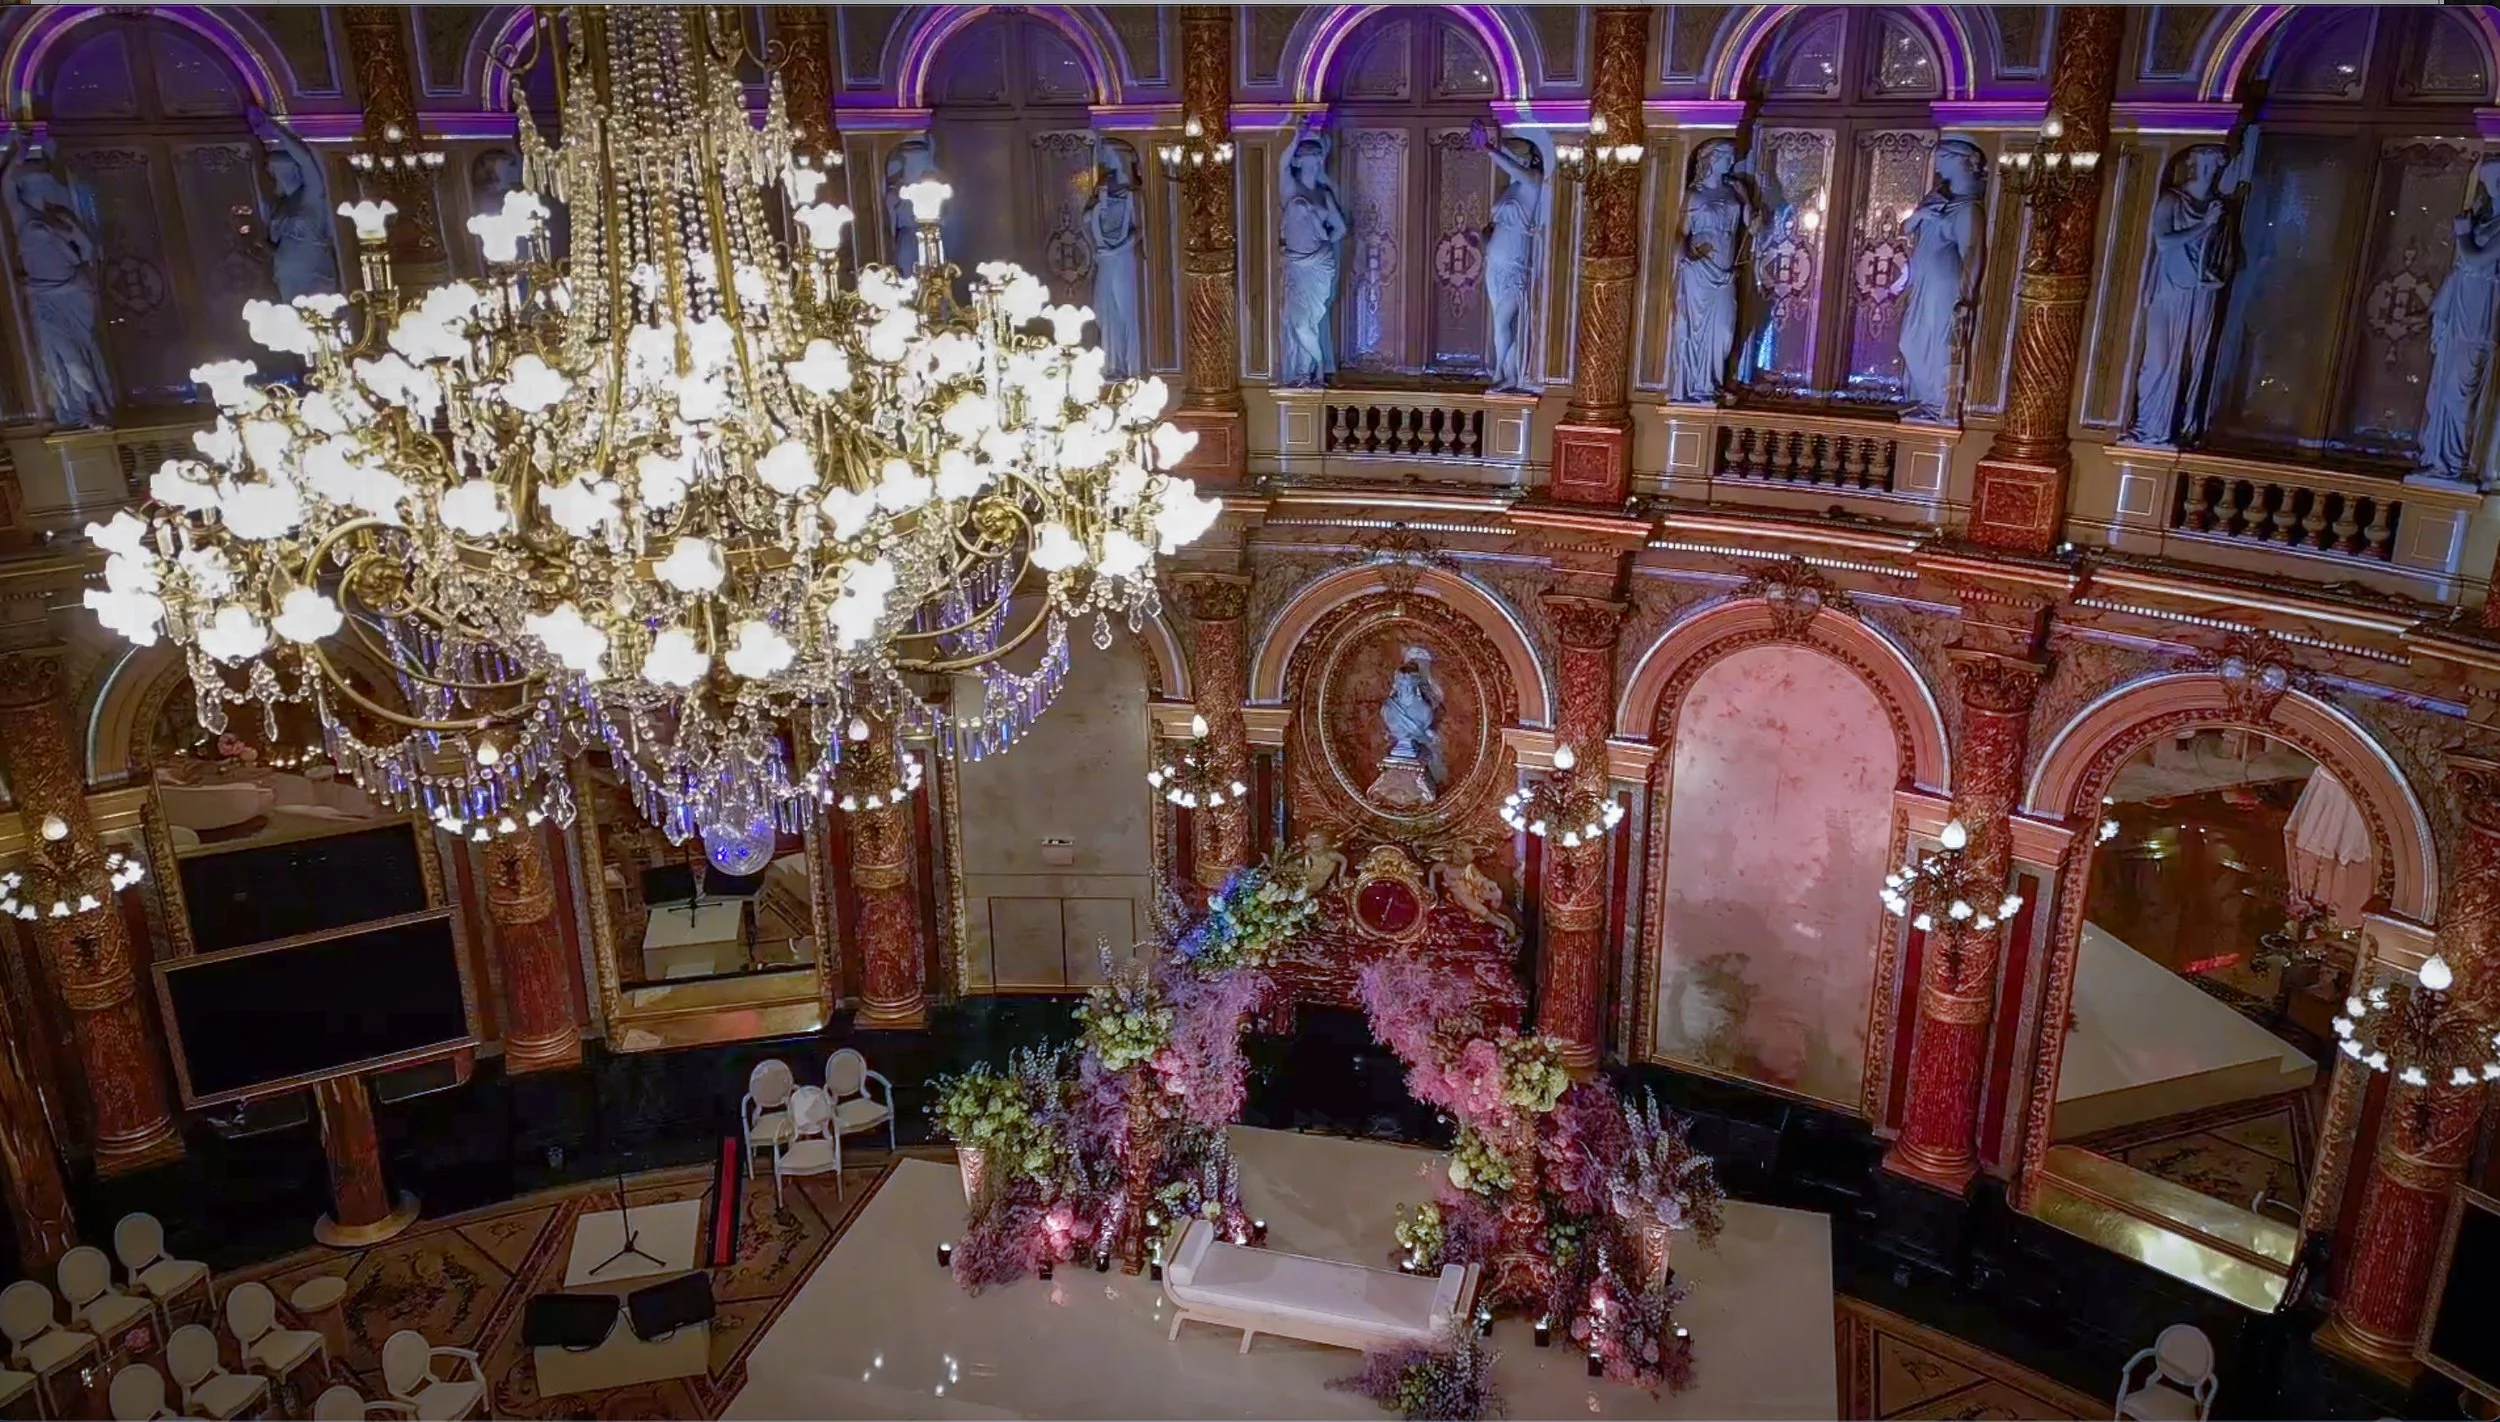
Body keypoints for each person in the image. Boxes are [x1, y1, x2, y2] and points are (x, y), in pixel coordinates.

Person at [2127, 144, 2233, 446]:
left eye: (2214, 166)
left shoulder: (2219, 208)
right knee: (2159, 362)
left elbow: (2226, 254)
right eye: (2204, 164)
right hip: (2168, 291)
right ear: (2193, 164)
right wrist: (2204, 224)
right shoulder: (2172, 200)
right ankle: (2148, 426)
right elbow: (2163, 241)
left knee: (2190, 362)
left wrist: (2219, 275)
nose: (2208, 172)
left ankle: (2179, 427)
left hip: (2201, 293)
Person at [3, 151, 113, 427]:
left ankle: (98, 408)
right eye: (33, 183)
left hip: (74, 292)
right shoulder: (21, 216)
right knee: (70, 359)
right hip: (45, 298)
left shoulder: (62, 216)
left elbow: (88, 250)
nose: (39, 189)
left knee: (84, 351)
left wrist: (70, 232)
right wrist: (15, 150)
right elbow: (3, 184)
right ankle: (88, 410)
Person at [2414, 156, 2500, 489]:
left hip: (2479, 316)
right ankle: (2439, 460)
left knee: (2461, 390)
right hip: (2460, 308)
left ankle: (2455, 464)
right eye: (2491, 182)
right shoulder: (2486, 220)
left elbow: (2476, 259)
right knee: (2441, 390)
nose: (2495, 189)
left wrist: (2463, 233)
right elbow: (2462, 266)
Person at [1894, 137, 1986, 420]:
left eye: (1943, 158)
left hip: (1945, 287)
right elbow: (1905, 228)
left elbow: (1972, 253)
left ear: (1960, 162)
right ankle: (1927, 399)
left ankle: (1938, 404)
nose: (1937, 165)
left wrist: (1965, 296)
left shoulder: (1968, 209)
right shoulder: (1937, 198)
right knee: (1910, 341)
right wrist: (1920, 214)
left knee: (1937, 343)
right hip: (1923, 283)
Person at [1667, 138, 1757, 404]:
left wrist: (1746, 198)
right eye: (1726, 157)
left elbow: (1753, 227)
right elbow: (1680, 233)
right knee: (1696, 330)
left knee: (1725, 331)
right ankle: (1699, 386)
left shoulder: (1734, 192)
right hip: (1700, 271)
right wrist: (1685, 258)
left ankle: (1713, 380)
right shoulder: (1695, 195)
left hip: (1726, 270)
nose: (1731, 161)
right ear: (1712, 159)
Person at [1475, 125, 1544, 393]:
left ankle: (1500, 374)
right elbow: (1496, 227)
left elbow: (1514, 168)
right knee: (1500, 323)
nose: (1512, 159)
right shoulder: (1512, 187)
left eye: (1516, 155)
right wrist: (1482, 240)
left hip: (1516, 266)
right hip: (1495, 264)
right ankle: (1508, 373)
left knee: (1504, 321)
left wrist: (1490, 149)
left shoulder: (1533, 181)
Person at [1277, 127, 1347, 387]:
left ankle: (1310, 373)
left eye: (1318, 157)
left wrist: (1324, 246)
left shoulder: (1324, 195)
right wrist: (1296, 136)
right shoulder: (1290, 188)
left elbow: (1340, 229)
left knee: (1311, 321)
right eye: (1311, 157)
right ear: (1300, 160)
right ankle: (1312, 367)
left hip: (1319, 264)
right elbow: (1282, 165)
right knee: (1299, 323)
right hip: (1296, 264)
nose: (1316, 161)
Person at [251, 107, 338, 301]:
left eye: (278, 171)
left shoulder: (311, 198)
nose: (276, 176)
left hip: (313, 273)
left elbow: (306, 161)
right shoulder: (281, 205)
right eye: (272, 171)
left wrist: (277, 129)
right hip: (285, 274)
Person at [1086, 138, 1145, 379]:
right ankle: (1112, 365)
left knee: (1126, 312)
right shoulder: (1097, 201)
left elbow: (1141, 231)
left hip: (1123, 261)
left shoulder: (1133, 197)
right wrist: (1097, 202)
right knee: (1105, 311)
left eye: (1109, 171)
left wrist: (1117, 250)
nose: (1106, 177)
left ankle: (1133, 367)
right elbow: (1087, 224)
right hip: (1104, 262)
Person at [1379, 647, 1446, 790]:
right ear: (1396, 683)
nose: (1405, 686)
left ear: (1416, 684)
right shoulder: (1388, 709)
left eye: (1408, 683)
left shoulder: (1425, 712)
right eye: (1402, 682)